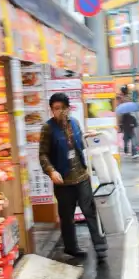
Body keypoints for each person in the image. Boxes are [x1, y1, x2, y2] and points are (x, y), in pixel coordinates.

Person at [38, 92, 108, 262]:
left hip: (82, 177)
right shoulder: (48, 128)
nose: (59, 112)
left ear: (68, 108)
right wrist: (51, 171)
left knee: (90, 211)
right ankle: (71, 248)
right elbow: (43, 155)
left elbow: (78, 144)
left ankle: (100, 247)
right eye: (55, 108)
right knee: (66, 216)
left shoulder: (75, 123)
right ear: (51, 110)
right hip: (63, 181)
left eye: (62, 108)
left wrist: (88, 137)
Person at [117, 88, 139, 158]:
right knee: (127, 143)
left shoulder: (131, 117)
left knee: (133, 143)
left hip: (130, 131)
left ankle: (134, 153)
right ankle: (127, 150)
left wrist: (133, 125)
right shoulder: (124, 117)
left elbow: (135, 123)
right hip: (127, 132)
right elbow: (121, 124)